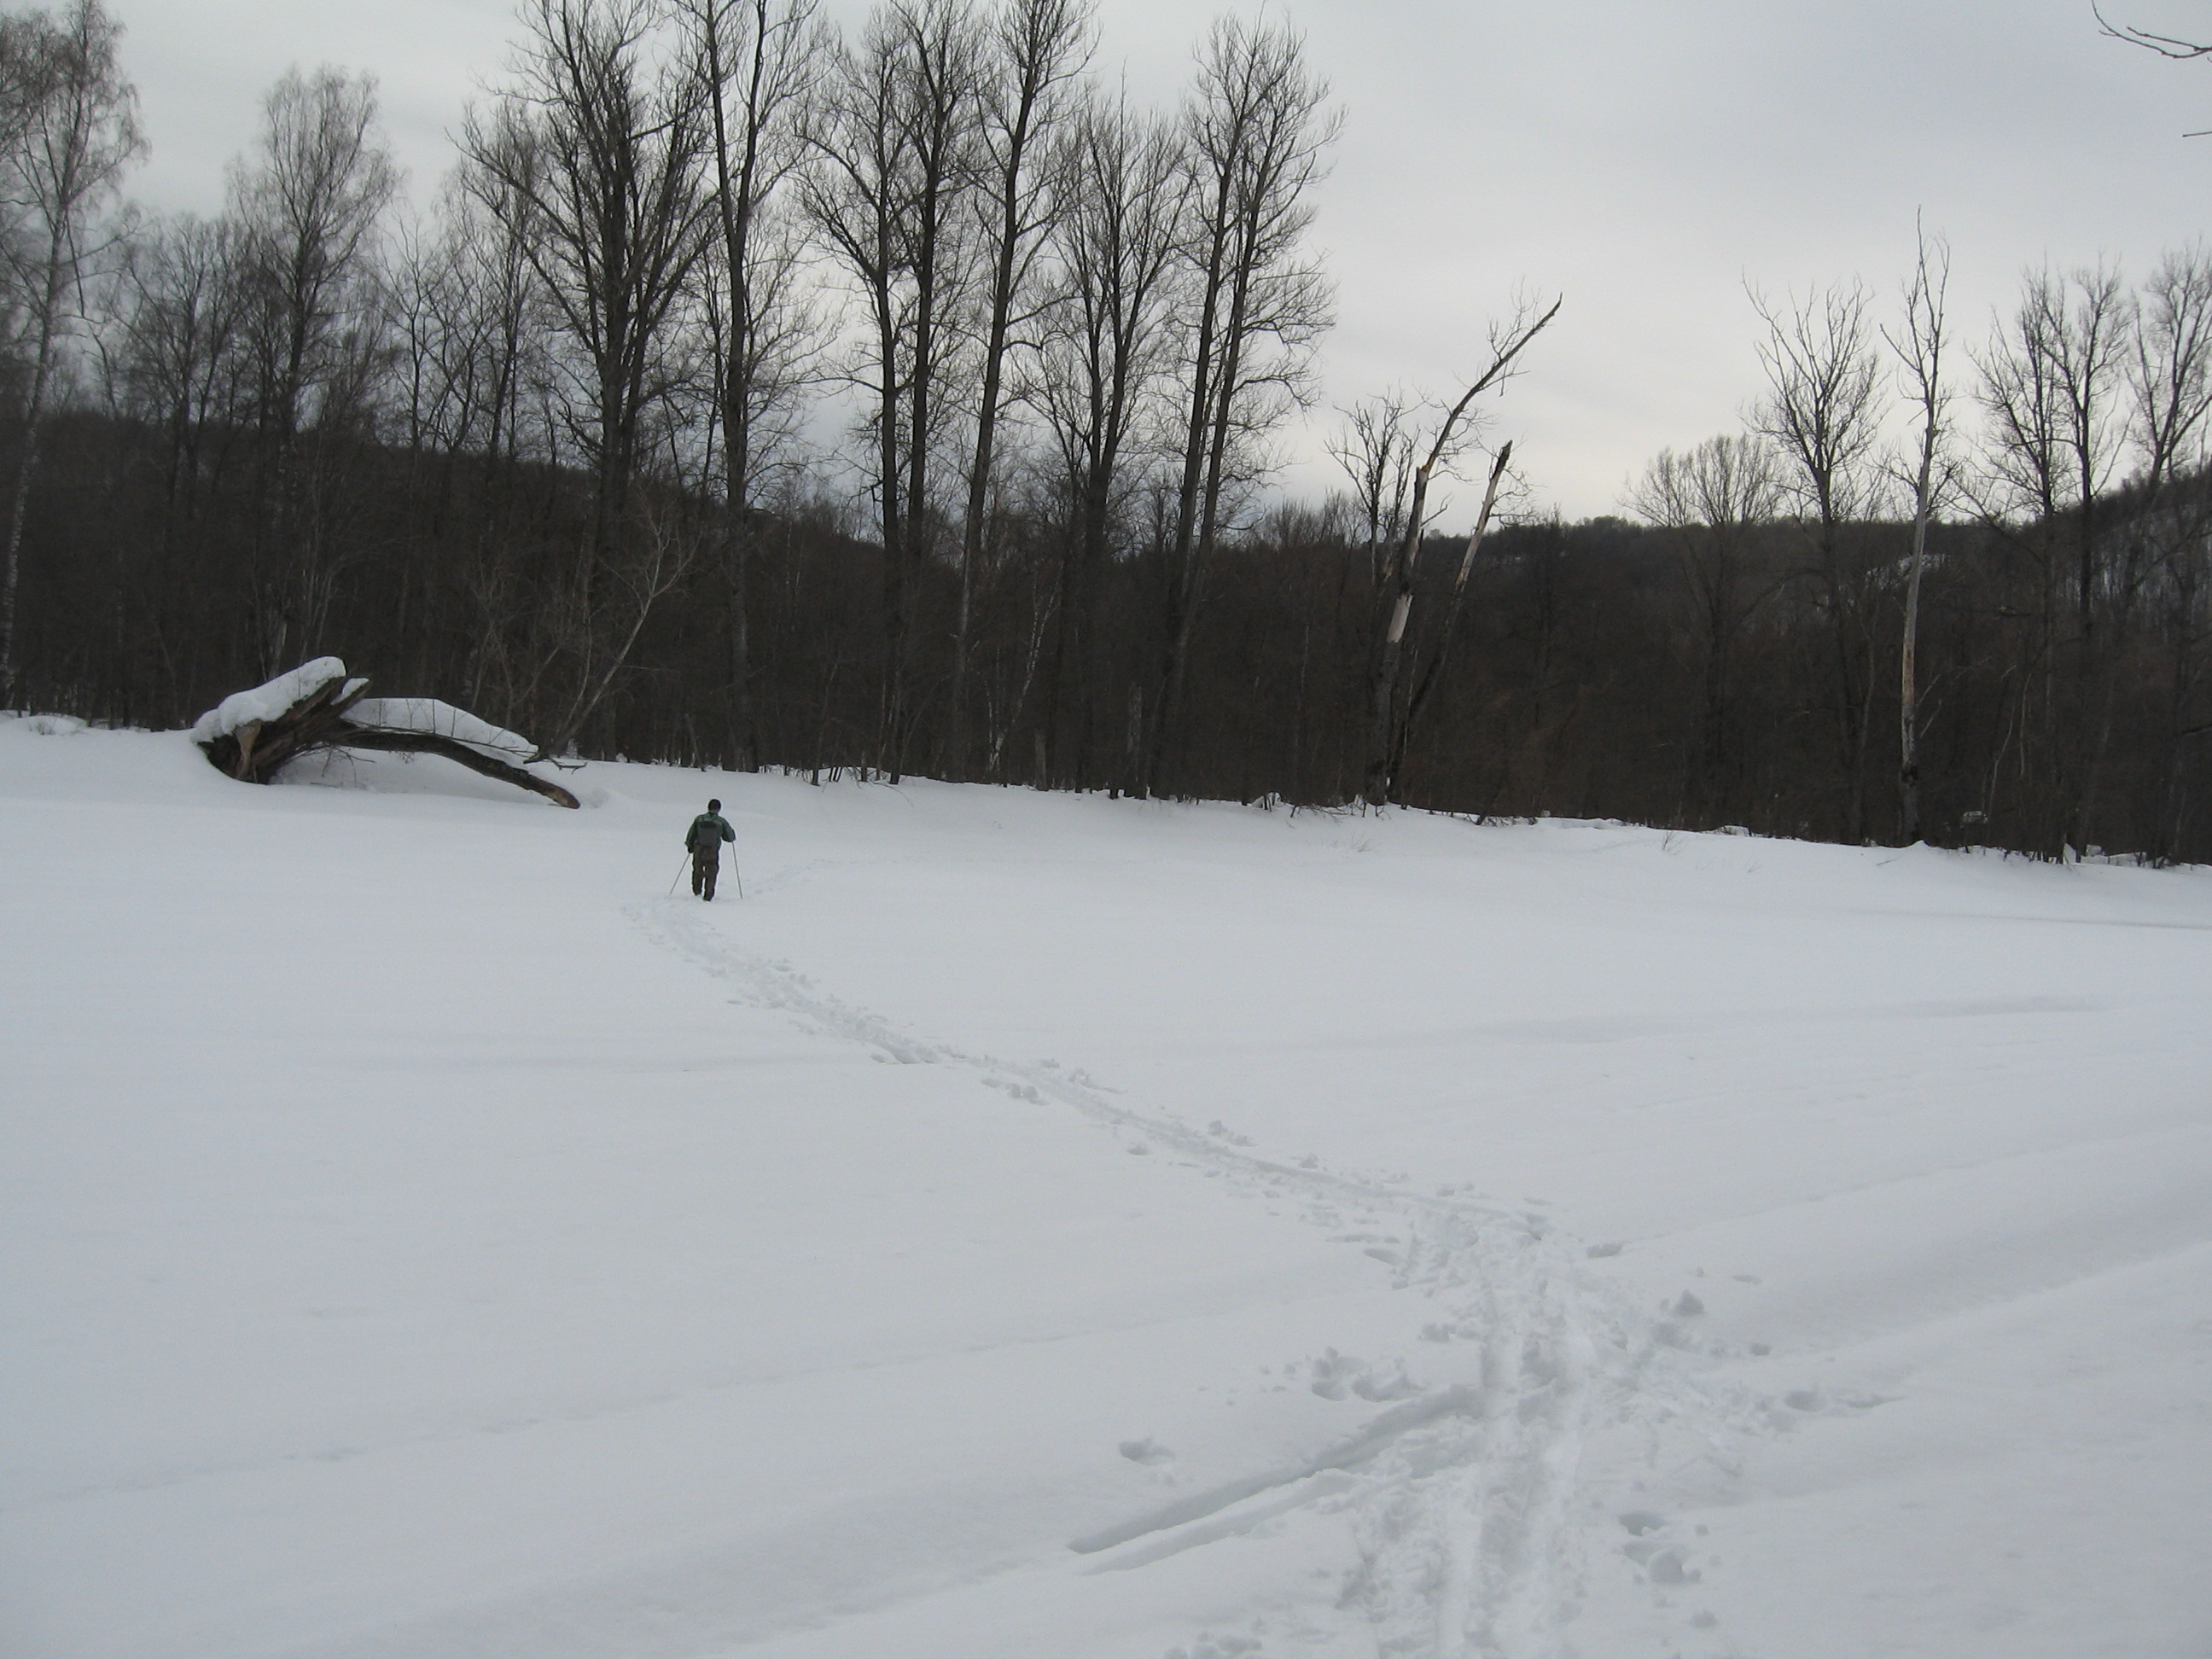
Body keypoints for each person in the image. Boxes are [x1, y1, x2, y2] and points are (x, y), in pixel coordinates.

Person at [685, 798, 736, 900]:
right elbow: (729, 838)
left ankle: (697, 891)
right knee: (711, 871)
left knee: (697, 869)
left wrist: (690, 846)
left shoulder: (699, 819)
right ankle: (708, 895)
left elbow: (691, 833)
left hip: (699, 847)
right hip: (712, 849)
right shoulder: (721, 821)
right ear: (719, 809)